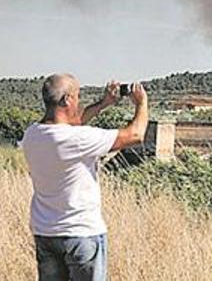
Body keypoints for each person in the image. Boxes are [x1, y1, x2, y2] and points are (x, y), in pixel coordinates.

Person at [21, 74, 149, 281]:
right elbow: (136, 134)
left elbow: (73, 122)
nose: (79, 101)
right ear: (67, 99)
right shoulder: (78, 139)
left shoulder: (32, 135)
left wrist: (104, 104)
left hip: (45, 233)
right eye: (77, 96)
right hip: (81, 233)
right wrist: (142, 103)